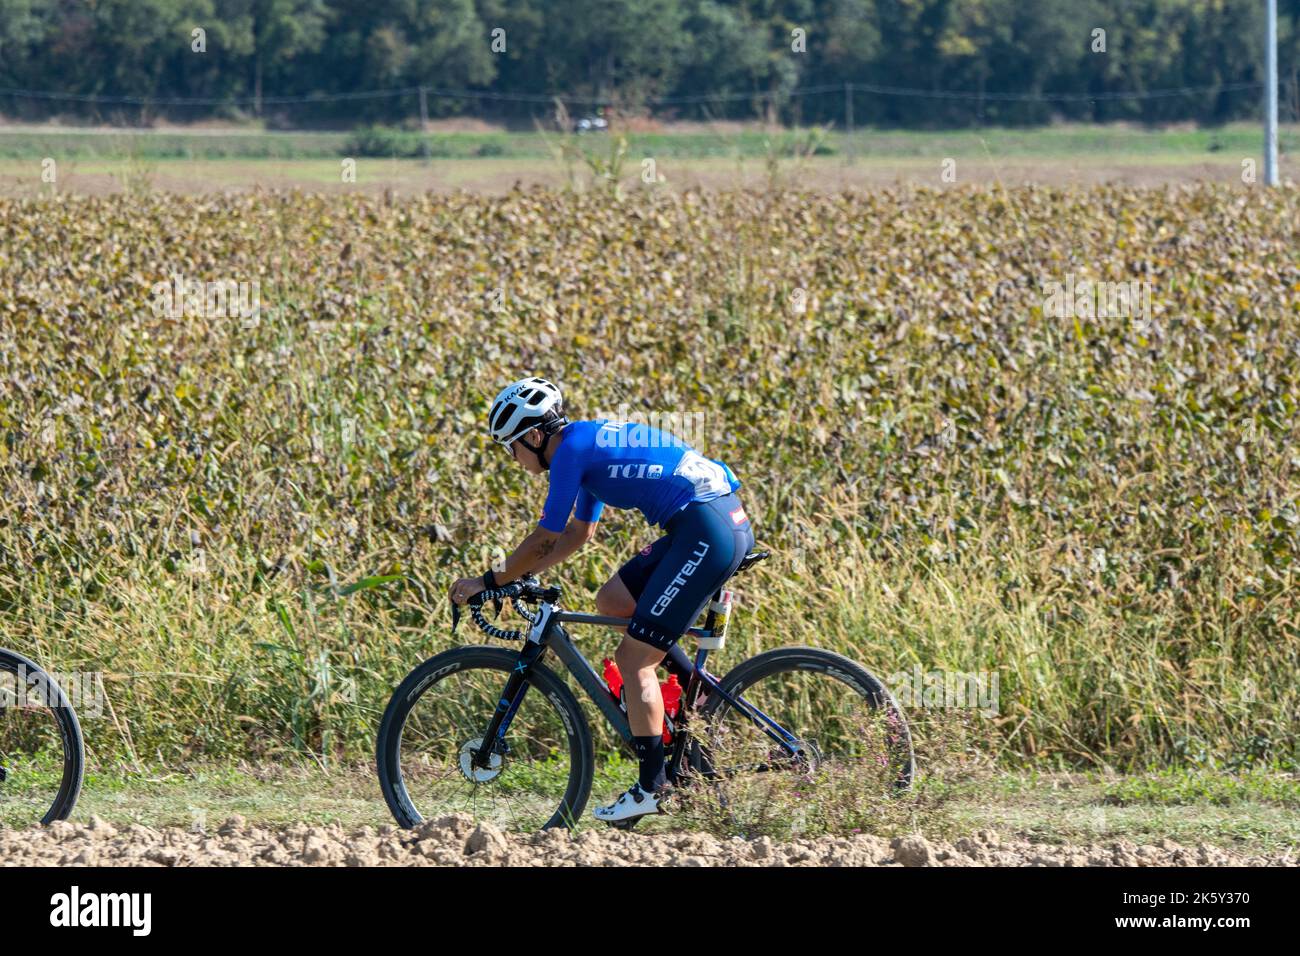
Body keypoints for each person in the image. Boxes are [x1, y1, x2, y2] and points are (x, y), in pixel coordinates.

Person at [449, 376, 755, 823]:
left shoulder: (570, 453)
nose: (511, 458)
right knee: (613, 600)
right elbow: (578, 533)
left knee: (634, 660)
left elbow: (545, 536)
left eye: (510, 446)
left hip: (707, 529)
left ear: (534, 436)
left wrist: (491, 579)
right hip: (709, 521)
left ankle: (653, 786)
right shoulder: (581, 444)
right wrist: (524, 575)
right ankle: (700, 694)